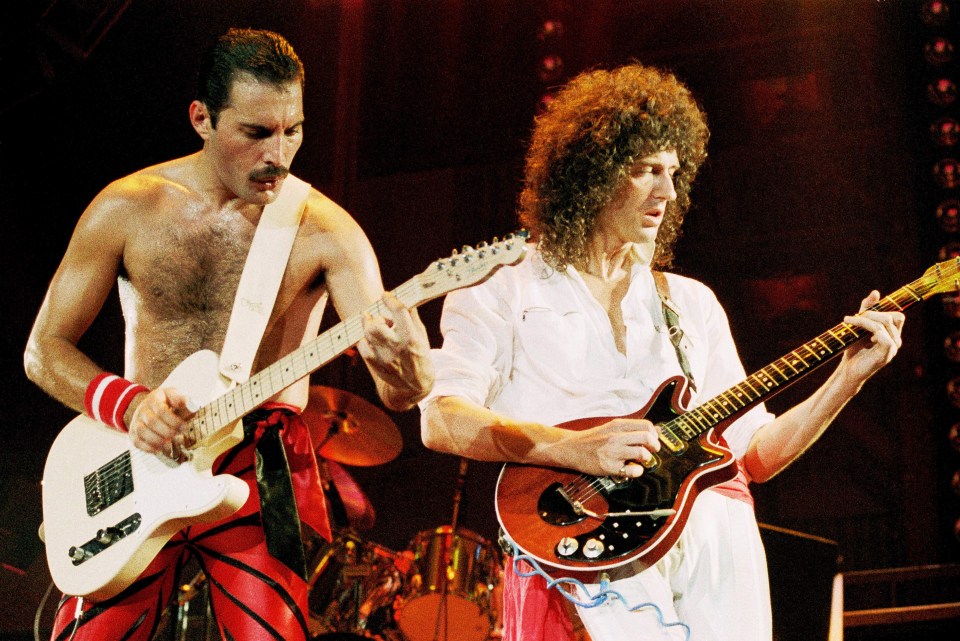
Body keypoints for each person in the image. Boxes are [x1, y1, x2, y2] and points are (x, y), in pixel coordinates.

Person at [419, 62, 904, 641]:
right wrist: (576, 448)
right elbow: (440, 419)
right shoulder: (501, 288)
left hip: (720, 538)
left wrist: (846, 378)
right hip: (592, 541)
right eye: (647, 171)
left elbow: (756, 455)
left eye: (674, 172)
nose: (668, 193)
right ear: (590, 174)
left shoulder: (691, 303)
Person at [24, 28, 433, 641]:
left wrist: (408, 367)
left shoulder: (328, 231)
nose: (280, 154)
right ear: (202, 119)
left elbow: (402, 394)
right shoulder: (127, 207)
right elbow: (43, 350)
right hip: (140, 451)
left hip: (268, 458)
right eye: (256, 133)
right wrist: (130, 405)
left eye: (292, 130)